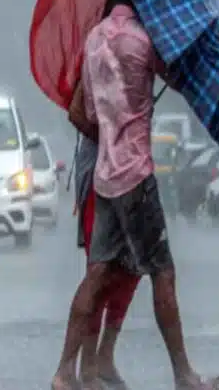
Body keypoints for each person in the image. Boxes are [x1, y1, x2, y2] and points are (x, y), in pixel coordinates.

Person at [52, 0, 219, 390]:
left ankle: (63, 372)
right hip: (136, 176)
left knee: (96, 275)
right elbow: (182, 78)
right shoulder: (144, 42)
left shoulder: (95, 41)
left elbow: (87, 114)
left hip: (104, 175)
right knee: (162, 273)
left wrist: (114, 127)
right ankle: (184, 376)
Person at [75, 133, 140, 389]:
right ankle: (86, 366)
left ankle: (105, 356)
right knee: (100, 272)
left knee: (131, 269)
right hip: (99, 179)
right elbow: (81, 114)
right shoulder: (95, 91)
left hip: (131, 174)